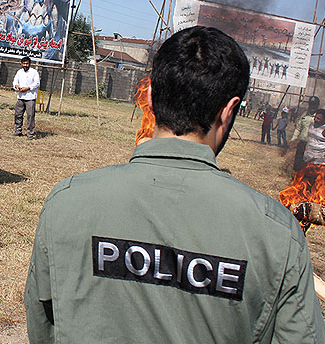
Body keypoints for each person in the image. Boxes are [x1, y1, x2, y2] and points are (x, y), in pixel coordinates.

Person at [24, 26, 324, 343]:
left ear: (149, 96)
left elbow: (43, 326)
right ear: (229, 111)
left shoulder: (67, 202)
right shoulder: (277, 235)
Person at [13, 56, 40, 139]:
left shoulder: (34, 72)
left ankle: (30, 134)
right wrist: (16, 86)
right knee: (18, 114)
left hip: (30, 98)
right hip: (21, 97)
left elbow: (37, 83)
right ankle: (18, 131)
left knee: (30, 116)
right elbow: (15, 82)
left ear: (30, 64)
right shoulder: (19, 72)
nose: (25, 65)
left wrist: (28, 88)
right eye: (24, 63)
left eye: (27, 63)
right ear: (21, 64)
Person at [291, 96, 321, 171]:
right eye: (311, 104)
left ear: (318, 105)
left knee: (310, 166)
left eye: (314, 104)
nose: (312, 106)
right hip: (302, 143)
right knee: (298, 164)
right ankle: (297, 180)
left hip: (313, 146)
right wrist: (293, 139)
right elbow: (298, 128)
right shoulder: (304, 115)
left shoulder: (320, 117)